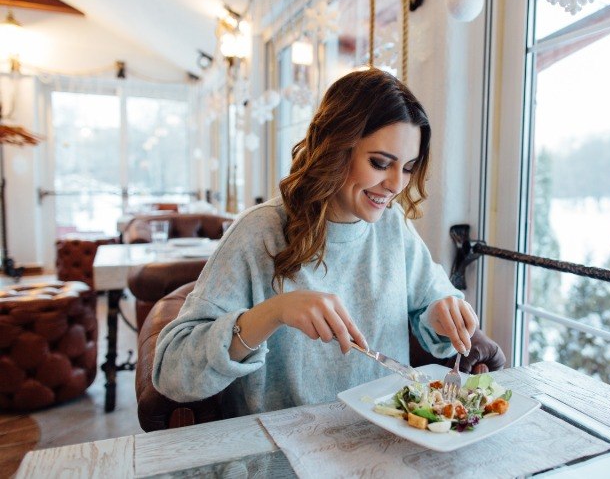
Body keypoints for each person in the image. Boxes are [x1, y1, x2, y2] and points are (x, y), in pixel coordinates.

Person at [152, 68, 479, 418]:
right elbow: (171, 373)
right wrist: (273, 312)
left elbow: (432, 307)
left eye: (409, 167)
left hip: (384, 438)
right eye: (380, 163)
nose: (396, 184)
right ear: (336, 147)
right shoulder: (260, 231)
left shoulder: (392, 225)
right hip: (281, 454)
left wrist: (443, 313)